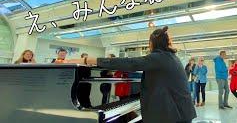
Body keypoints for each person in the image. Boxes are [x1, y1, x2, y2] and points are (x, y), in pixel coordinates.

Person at [64, 26, 196, 123]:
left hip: (173, 115)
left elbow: (130, 63)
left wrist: (88, 60)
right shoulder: (171, 57)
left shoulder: (158, 58)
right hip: (179, 111)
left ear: (152, 43)